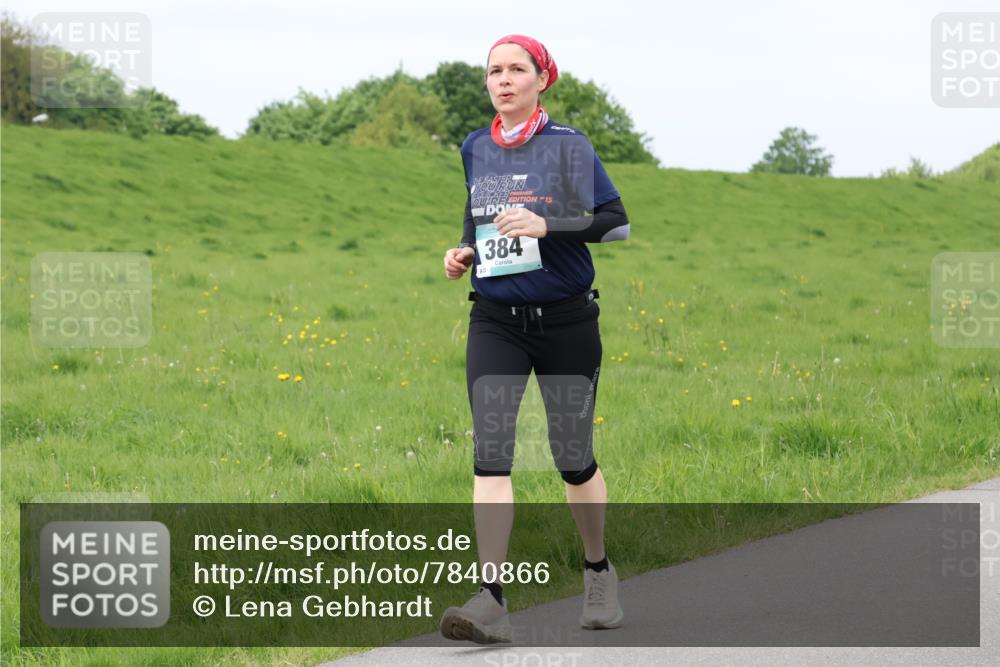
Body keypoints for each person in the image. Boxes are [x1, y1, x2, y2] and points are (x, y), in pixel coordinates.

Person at [440, 34, 631, 644]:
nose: (502, 80)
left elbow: (616, 224)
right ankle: (489, 598)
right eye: (493, 70)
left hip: (567, 321)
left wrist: (549, 224)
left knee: (572, 459)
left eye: (515, 69)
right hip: (496, 321)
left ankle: (598, 572)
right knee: (490, 453)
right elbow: (478, 213)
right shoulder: (475, 146)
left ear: (541, 78)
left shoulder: (569, 147)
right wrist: (464, 250)